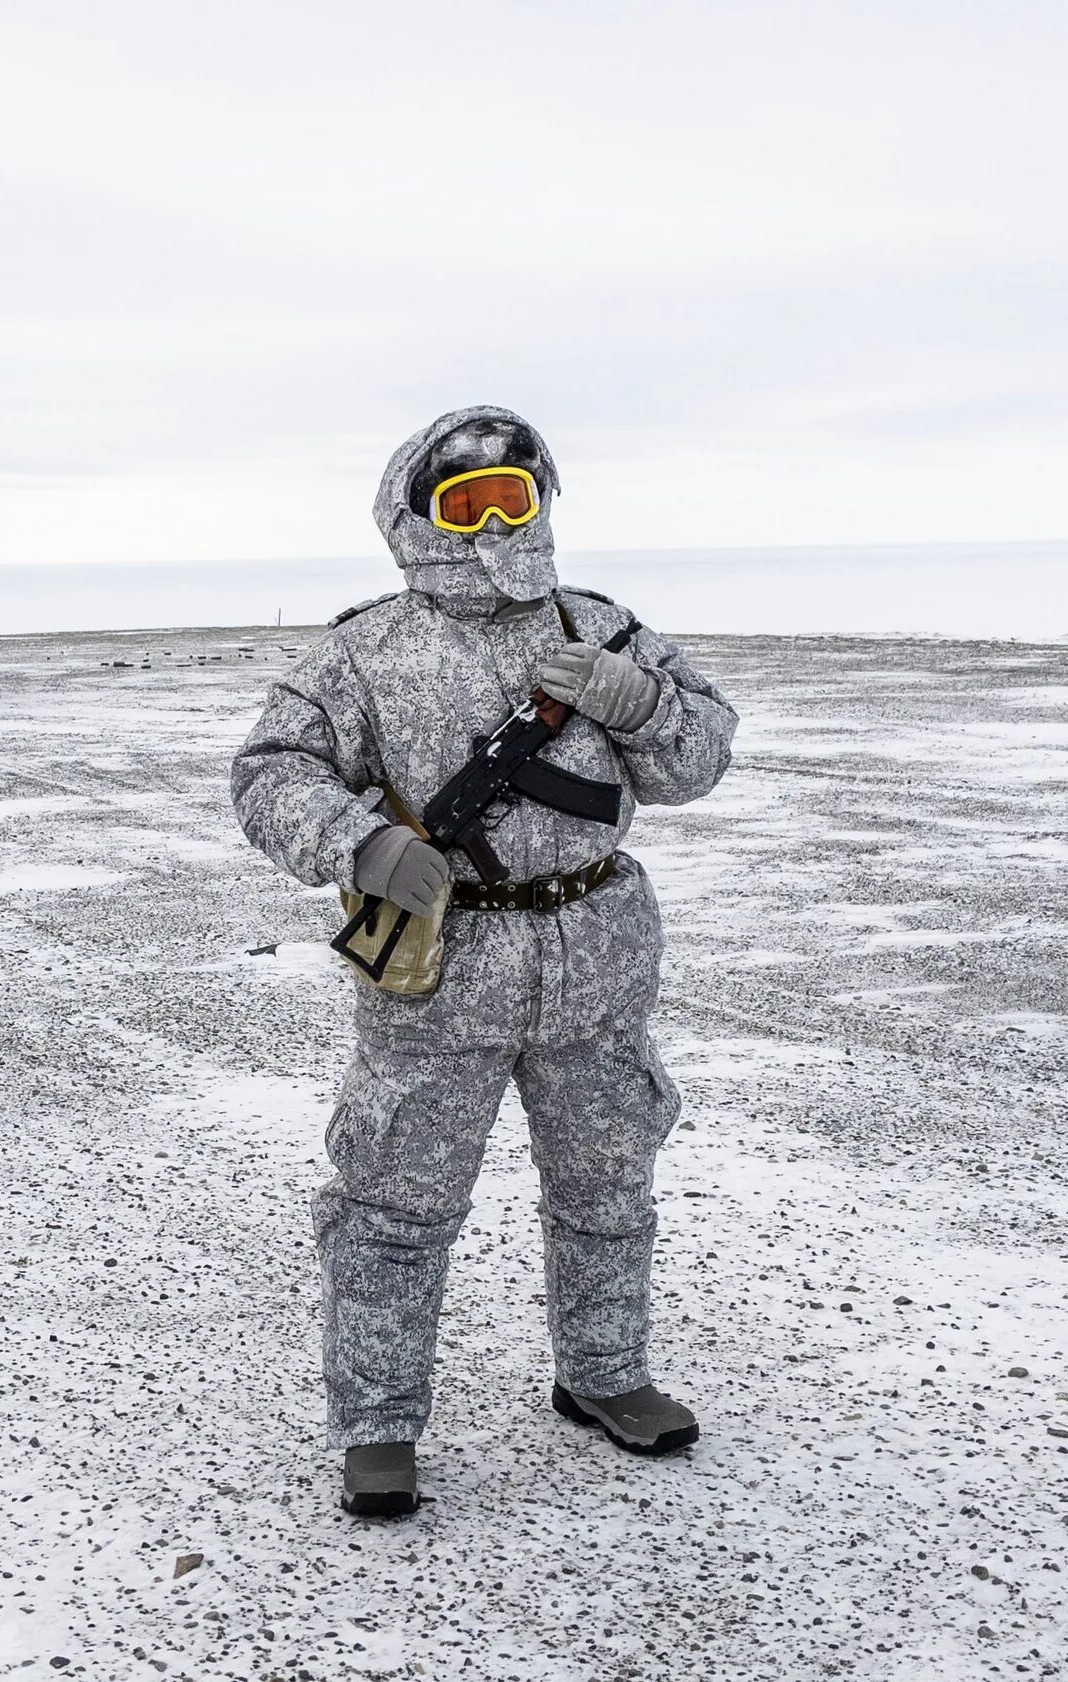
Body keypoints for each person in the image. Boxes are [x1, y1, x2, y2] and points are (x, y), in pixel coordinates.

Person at [231, 406, 738, 1517]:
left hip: (595, 954)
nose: (495, 525)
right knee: (393, 1205)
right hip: (439, 970)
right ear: (414, 518)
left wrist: (638, 700)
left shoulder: (602, 629)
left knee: (610, 1183)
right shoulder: (364, 652)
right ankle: (376, 1423)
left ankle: (604, 1373)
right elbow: (269, 772)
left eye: (515, 498)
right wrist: (360, 843)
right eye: (466, 505)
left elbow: (701, 756)